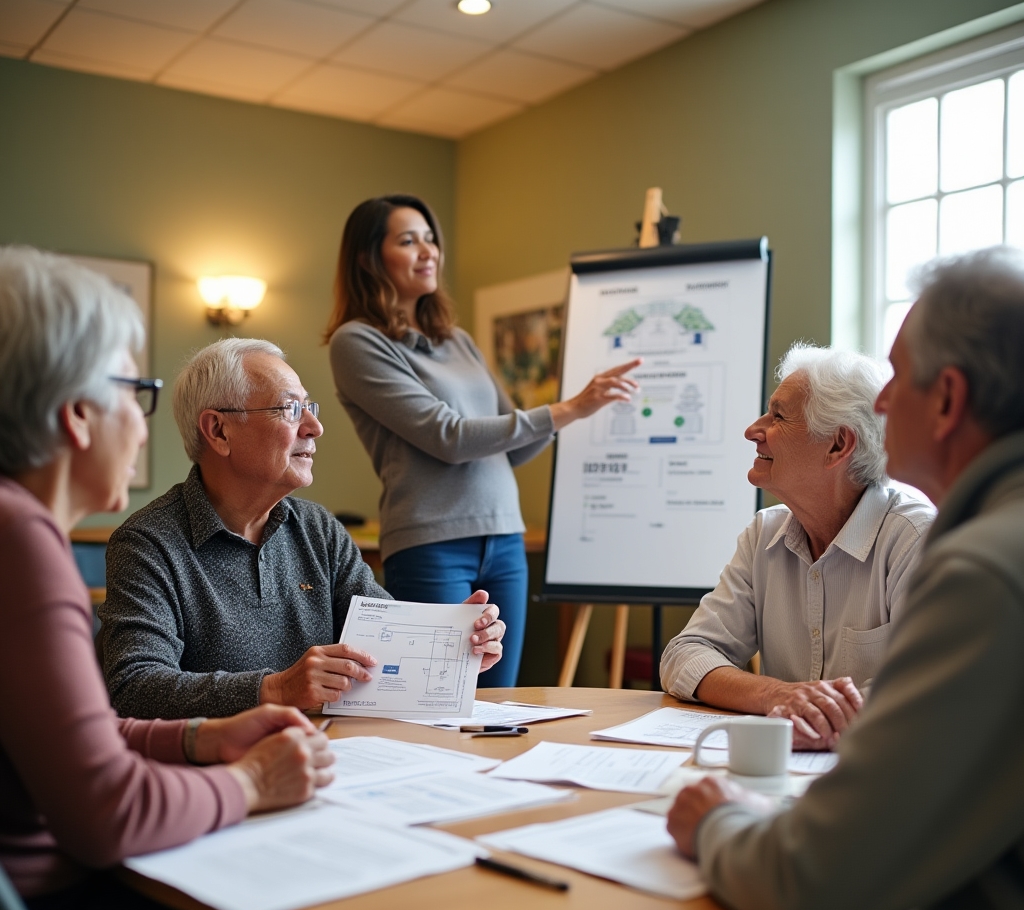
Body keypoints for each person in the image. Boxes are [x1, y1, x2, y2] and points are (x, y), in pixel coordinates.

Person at [0, 246, 407, 910]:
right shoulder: (26, 546)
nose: (145, 418)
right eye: (134, 390)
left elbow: (85, 733)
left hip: (47, 909)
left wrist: (200, 740)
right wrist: (252, 782)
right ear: (76, 415)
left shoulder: (17, 532)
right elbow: (105, 813)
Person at [667, 247, 1024, 910]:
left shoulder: (976, 565)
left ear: (950, 397)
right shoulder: (772, 534)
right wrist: (781, 694)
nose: (885, 402)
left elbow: (819, 880)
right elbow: (686, 654)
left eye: (900, 377)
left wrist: (716, 821)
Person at [99, 337, 506, 721]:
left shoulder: (319, 530)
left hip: (333, 758)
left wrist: (456, 647)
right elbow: (135, 688)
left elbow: (382, 646)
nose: (314, 426)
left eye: (310, 408)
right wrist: (274, 690)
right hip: (225, 773)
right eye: (290, 409)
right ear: (219, 431)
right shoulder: (147, 543)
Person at [325, 194, 640, 688]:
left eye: (431, 239)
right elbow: (447, 436)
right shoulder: (357, 342)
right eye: (409, 240)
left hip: (505, 537)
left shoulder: (459, 340)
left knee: (497, 700)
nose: (428, 250)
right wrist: (568, 408)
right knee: (437, 702)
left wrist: (570, 415)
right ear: (369, 258)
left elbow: (509, 444)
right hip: (431, 543)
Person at [660, 344, 933, 750]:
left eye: (778, 416)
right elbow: (685, 654)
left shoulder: (914, 538)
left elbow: (923, 689)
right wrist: (775, 695)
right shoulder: (763, 535)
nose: (753, 430)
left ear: (838, 446)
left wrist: (817, 715)